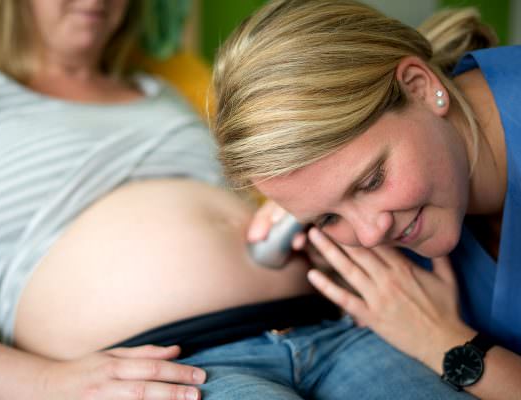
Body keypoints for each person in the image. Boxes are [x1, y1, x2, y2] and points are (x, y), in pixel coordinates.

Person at [0, 1, 477, 399]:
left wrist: (303, 211)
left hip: (334, 329)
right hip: (166, 373)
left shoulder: (171, 95)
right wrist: (47, 386)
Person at [212, 0, 521, 398]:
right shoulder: (411, 213)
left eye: (371, 181)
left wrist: (445, 343)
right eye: (327, 218)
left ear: (420, 87)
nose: (371, 234)